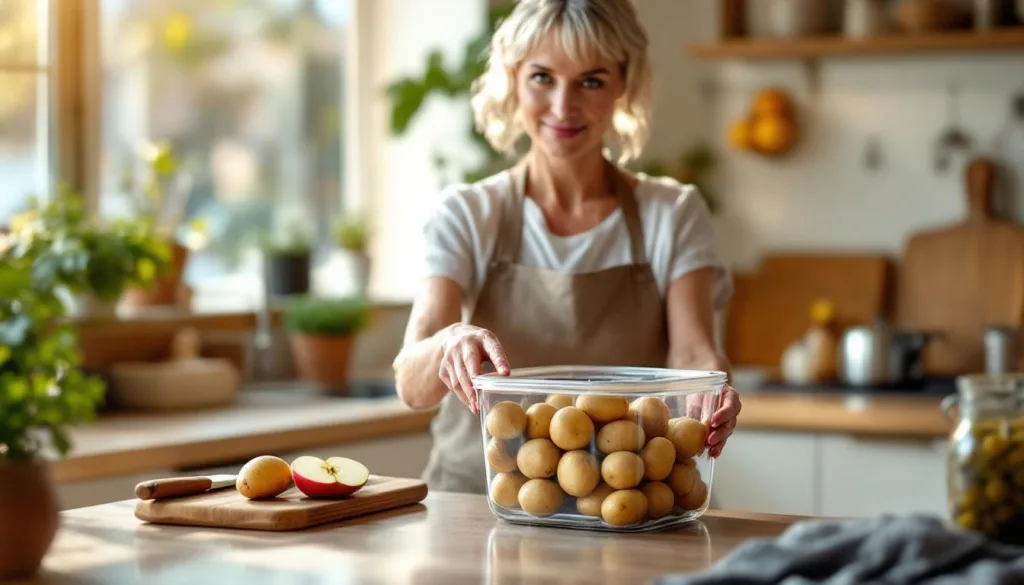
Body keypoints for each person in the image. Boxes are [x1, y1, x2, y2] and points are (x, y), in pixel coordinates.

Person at [392, 0, 741, 495]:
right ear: (512, 80)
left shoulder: (673, 213)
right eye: (542, 77)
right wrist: (448, 342)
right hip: (472, 502)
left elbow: (693, 349)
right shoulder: (467, 214)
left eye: (591, 81)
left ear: (624, 84)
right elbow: (411, 384)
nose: (563, 105)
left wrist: (710, 389)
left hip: (627, 502)